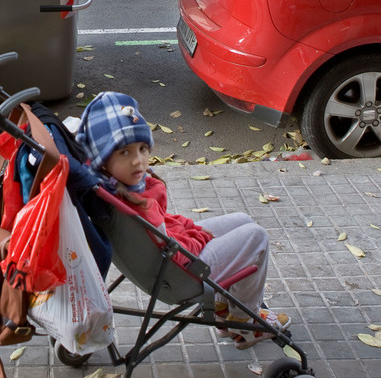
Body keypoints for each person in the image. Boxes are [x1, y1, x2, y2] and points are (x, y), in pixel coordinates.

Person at [75, 91, 291, 349]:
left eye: (143, 148)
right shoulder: (138, 203)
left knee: (241, 220)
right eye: (124, 152)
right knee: (257, 237)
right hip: (179, 275)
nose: (139, 161)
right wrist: (193, 239)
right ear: (103, 159)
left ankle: (224, 307)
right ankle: (245, 321)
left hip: (164, 259)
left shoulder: (107, 187)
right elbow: (172, 250)